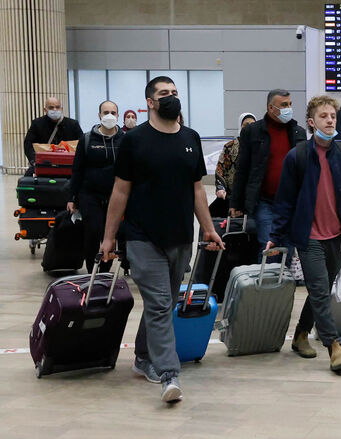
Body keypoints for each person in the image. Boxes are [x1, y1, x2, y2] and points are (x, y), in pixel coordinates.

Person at [99, 76, 224, 403]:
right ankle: (169, 374)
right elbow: (120, 191)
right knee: (157, 304)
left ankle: (142, 357)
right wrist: (109, 237)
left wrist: (208, 228)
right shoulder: (135, 141)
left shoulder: (190, 139)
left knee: (163, 304)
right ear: (150, 103)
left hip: (180, 236)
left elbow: (197, 189)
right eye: (164, 94)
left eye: (174, 93)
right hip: (142, 238)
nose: (171, 98)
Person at [266, 95, 341, 372]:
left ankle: (301, 335)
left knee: (322, 290)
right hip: (309, 237)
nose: (330, 120)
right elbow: (285, 201)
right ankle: (333, 348)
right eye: (324, 117)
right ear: (312, 123)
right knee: (319, 290)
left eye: (333, 116)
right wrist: (276, 236)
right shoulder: (297, 157)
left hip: (337, 236)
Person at [230, 89, 308, 257]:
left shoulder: (298, 133)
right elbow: (242, 169)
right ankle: (265, 282)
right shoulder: (252, 132)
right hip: (264, 201)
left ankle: (283, 282)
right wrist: (235, 203)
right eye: (284, 105)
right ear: (271, 108)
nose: (289, 108)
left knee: (287, 249)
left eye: (290, 104)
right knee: (268, 248)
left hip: (291, 204)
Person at [68, 100, 124, 273]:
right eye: (105, 112)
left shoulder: (126, 140)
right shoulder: (86, 139)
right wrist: (72, 198)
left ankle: (105, 272)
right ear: (99, 115)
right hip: (89, 194)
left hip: (115, 195)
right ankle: (92, 270)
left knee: (110, 234)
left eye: (113, 112)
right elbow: (77, 170)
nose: (109, 116)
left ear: (118, 115)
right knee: (93, 231)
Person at [211, 113, 256, 217]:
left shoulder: (260, 146)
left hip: (254, 197)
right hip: (231, 196)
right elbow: (220, 168)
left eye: (252, 124)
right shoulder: (229, 147)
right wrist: (221, 188)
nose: (249, 127)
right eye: (246, 124)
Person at [23, 96, 83, 172]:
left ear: (62, 109)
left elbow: (82, 144)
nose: (55, 110)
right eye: (51, 108)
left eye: (57, 107)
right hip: (44, 165)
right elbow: (28, 144)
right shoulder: (37, 124)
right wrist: (34, 161)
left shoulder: (73, 124)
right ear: (45, 110)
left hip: (68, 166)